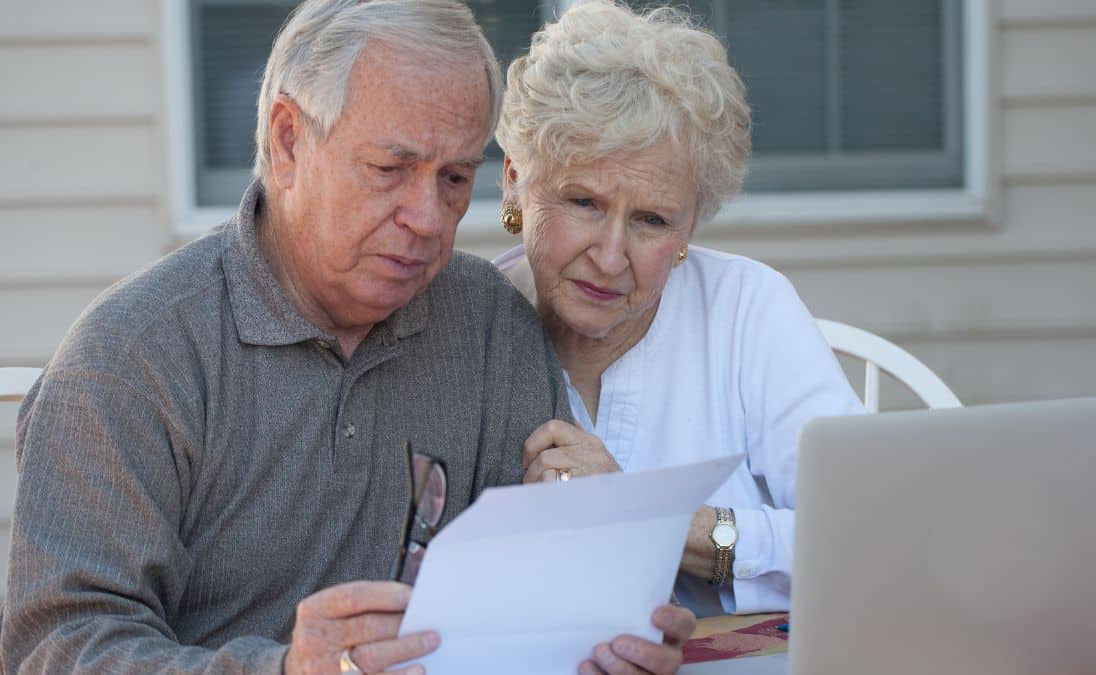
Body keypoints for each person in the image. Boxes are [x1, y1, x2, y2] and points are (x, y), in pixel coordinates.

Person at [0, 1, 693, 673]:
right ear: (288, 142)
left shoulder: (488, 323)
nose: (428, 217)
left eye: (455, 178)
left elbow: (535, 592)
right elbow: (53, 649)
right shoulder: (131, 359)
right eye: (390, 170)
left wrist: (605, 628)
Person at [493, 1, 865, 618]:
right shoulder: (464, 331)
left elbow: (868, 531)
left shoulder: (747, 310)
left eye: (652, 220)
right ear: (514, 182)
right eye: (584, 202)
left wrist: (651, 520)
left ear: (690, 227)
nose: (610, 256)